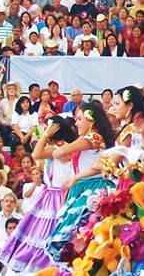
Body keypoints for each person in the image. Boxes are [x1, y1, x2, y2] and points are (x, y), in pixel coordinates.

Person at [0, 117, 76, 276]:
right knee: (40, 239)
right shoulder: (57, 148)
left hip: (59, 197)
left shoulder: (63, 148)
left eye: (49, 127)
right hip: (50, 196)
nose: (45, 130)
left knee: (51, 239)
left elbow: (37, 154)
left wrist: (45, 135)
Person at [46, 102, 117, 261]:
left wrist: (49, 138)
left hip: (92, 186)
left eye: (79, 119)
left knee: (80, 229)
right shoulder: (93, 138)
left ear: (91, 120)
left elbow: (61, 152)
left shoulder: (92, 137)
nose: (76, 123)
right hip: (84, 185)